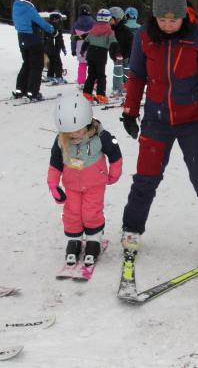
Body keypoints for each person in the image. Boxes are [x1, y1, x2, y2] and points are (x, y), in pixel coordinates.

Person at [119, 0, 198, 262]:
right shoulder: (144, 36)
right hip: (156, 119)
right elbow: (137, 75)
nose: (167, 24)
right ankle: (131, 229)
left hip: (193, 121)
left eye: (173, 19)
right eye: (162, 19)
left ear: (184, 15)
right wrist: (129, 111)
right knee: (145, 178)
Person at [48, 93, 123, 270]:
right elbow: (55, 162)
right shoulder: (61, 141)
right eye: (69, 132)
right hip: (72, 185)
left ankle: (93, 241)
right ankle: (73, 241)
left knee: (91, 212)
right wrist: (53, 184)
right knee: (72, 213)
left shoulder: (101, 136)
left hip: (94, 184)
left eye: (77, 130)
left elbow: (115, 153)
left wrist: (115, 171)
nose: (73, 135)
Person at [12, 0, 54, 101]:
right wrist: (51, 29)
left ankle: (20, 90)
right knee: (37, 66)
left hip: (22, 39)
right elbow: (40, 21)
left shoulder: (16, 6)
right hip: (33, 39)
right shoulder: (28, 7)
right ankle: (32, 93)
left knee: (26, 63)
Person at [80, 8, 119, 104]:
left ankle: (87, 93)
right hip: (101, 54)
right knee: (101, 76)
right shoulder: (109, 30)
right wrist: (116, 53)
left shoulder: (94, 28)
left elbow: (86, 40)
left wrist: (82, 50)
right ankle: (101, 95)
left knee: (91, 75)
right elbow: (113, 43)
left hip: (91, 53)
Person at [109, 6, 133, 98]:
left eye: (111, 19)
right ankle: (119, 88)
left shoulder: (125, 30)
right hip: (115, 54)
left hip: (125, 55)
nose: (109, 21)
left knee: (124, 71)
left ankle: (123, 88)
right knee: (119, 71)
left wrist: (127, 54)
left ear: (118, 19)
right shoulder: (110, 29)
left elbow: (131, 42)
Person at [71, 4, 95, 88]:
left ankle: (81, 82)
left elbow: (73, 38)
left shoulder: (76, 24)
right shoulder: (93, 23)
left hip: (80, 46)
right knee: (93, 65)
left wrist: (73, 49)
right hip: (91, 45)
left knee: (82, 64)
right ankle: (94, 82)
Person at [44, 11, 67, 85]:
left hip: (50, 48)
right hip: (53, 48)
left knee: (52, 62)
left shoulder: (49, 27)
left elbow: (60, 38)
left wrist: (63, 48)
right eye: (56, 19)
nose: (57, 21)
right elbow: (58, 38)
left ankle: (50, 76)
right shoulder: (54, 27)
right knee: (58, 63)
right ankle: (59, 77)